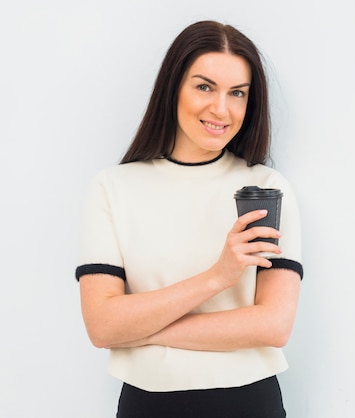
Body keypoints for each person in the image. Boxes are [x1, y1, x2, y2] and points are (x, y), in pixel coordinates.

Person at [75, 20, 303, 418]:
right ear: (172, 88)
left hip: (249, 403)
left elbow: (272, 325)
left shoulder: (265, 188)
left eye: (237, 93)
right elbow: (103, 326)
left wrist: (141, 330)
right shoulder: (113, 187)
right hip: (148, 403)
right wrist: (219, 276)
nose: (221, 109)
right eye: (204, 86)